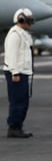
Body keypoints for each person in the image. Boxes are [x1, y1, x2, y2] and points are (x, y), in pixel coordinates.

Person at [3, 8, 35, 138]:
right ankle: (13, 127)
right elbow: (11, 55)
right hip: (16, 73)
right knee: (17, 101)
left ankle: (18, 126)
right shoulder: (15, 34)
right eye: (29, 21)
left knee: (23, 101)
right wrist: (15, 73)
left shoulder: (22, 33)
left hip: (23, 72)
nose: (30, 23)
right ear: (21, 20)